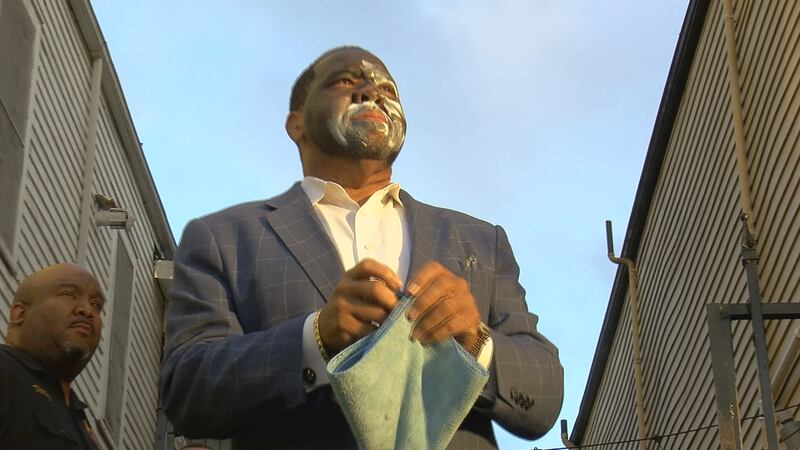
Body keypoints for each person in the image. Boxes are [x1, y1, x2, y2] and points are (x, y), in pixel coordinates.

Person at [161, 46, 564, 449]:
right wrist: (313, 340)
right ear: (296, 124)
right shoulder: (225, 238)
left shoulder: (479, 241)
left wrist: (475, 343)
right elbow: (185, 387)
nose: (372, 92)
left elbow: (544, 399)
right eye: (346, 81)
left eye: (387, 89)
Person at [0, 263, 104, 450]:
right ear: (20, 314)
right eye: (68, 294)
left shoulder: (80, 421)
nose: (87, 311)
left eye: (96, 305)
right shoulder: (5, 370)